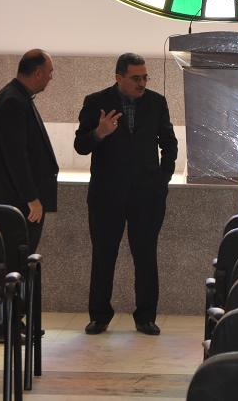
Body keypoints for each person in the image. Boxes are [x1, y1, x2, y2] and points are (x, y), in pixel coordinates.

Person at [75, 53, 177, 336]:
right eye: (135, 78)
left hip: (147, 195)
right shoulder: (96, 102)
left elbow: (169, 144)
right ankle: (99, 316)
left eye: (145, 77)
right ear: (119, 77)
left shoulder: (156, 102)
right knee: (103, 255)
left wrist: (162, 180)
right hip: (106, 195)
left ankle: (145, 317)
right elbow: (81, 146)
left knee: (145, 256)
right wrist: (99, 133)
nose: (142, 83)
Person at [0, 49, 58, 252]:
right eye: (50, 72)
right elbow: (16, 156)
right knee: (18, 259)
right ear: (38, 73)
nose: (51, 78)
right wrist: (32, 198)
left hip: (16, 202)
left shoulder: (16, 96)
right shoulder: (13, 100)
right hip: (17, 204)